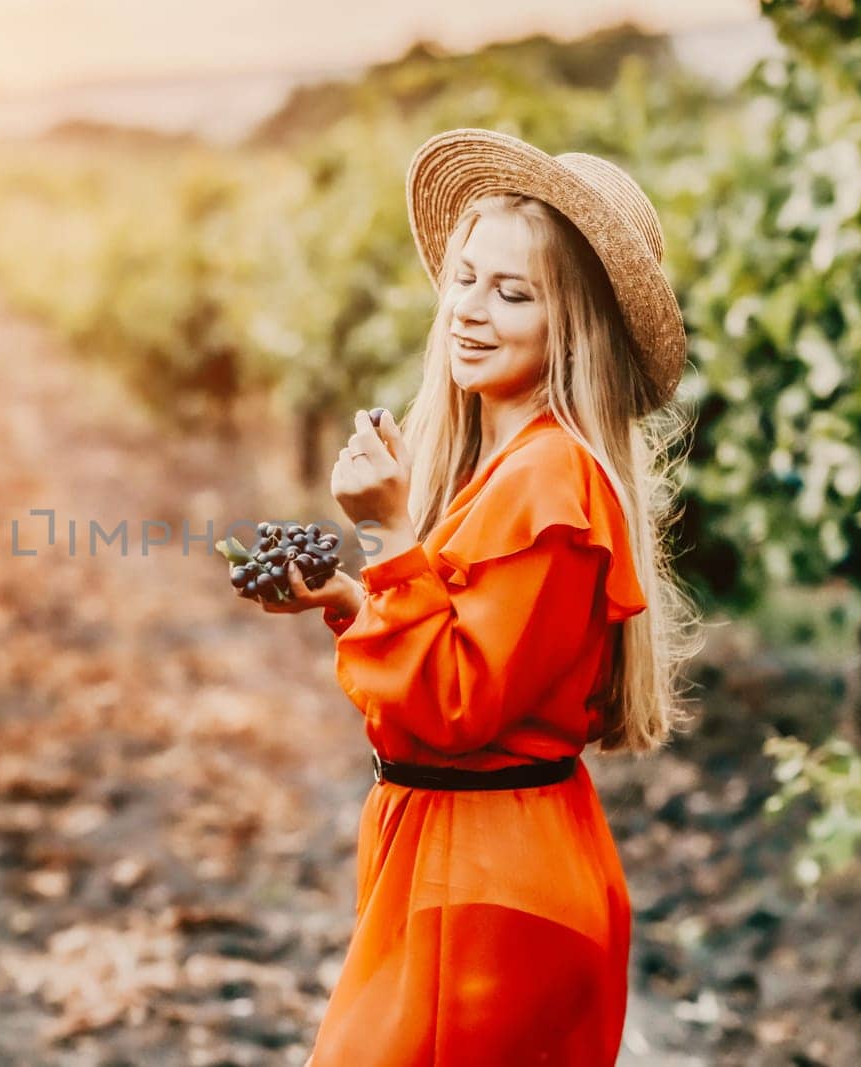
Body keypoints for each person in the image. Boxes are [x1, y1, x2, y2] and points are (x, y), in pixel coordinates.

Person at [256, 128, 705, 1064]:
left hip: (492, 888)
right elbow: (479, 652)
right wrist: (349, 594)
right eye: (465, 277)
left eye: (513, 293)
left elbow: (454, 703)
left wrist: (387, 534)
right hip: (469, 866)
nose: (468, 309)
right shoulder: (507, 468)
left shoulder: (550, 480)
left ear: (569, 326)